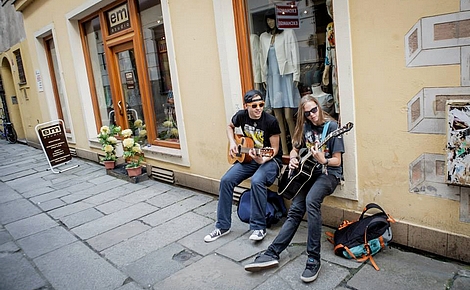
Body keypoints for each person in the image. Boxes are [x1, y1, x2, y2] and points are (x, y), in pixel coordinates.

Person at [244, 94, 345, 283]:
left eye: (314, 110)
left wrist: (323, 160)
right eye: (307, 113)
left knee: (311, 202)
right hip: (308, 173)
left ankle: (314, 259)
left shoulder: (331, 128)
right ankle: (273, 252)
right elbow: (295, 149)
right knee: (295, 209)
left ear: (319, 107)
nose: (312, 115)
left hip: (328, 173)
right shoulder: (305, 126)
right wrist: (293, 159)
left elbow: (337, 161)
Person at [204, 90, 283, 243]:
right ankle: (222, 226)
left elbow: (275, 150)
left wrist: (262, 160)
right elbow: (229, 126)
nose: (258, 108)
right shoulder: (241, 116)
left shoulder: (271, 121)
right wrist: (233, 143)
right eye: (254, 106)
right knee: (226, 180)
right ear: (246, 106)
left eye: (261, 104)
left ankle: (259, 227)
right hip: (249, 158)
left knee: (257, 181)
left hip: (270, 160)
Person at [260, 9, 301, 155]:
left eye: (272, 19)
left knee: (289, 116)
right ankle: (283, 151)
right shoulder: (263, 37)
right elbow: (261, 59)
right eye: (268, 20)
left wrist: (296, 75)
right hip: (273, 78)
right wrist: (264, 77)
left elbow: (294, 53)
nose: (270, 22)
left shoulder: (288, 33)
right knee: (278, 117)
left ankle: (296, 149)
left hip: (286, 76)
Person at [322, 0, 339, 115]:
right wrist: (327, 68)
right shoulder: (330, 27)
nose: (332, 9)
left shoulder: (344, 24)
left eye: (333, 6)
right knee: (336, 88)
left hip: (342, 57)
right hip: (334, 59)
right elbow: (328, 48)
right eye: (329, 7)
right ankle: (339, 114)